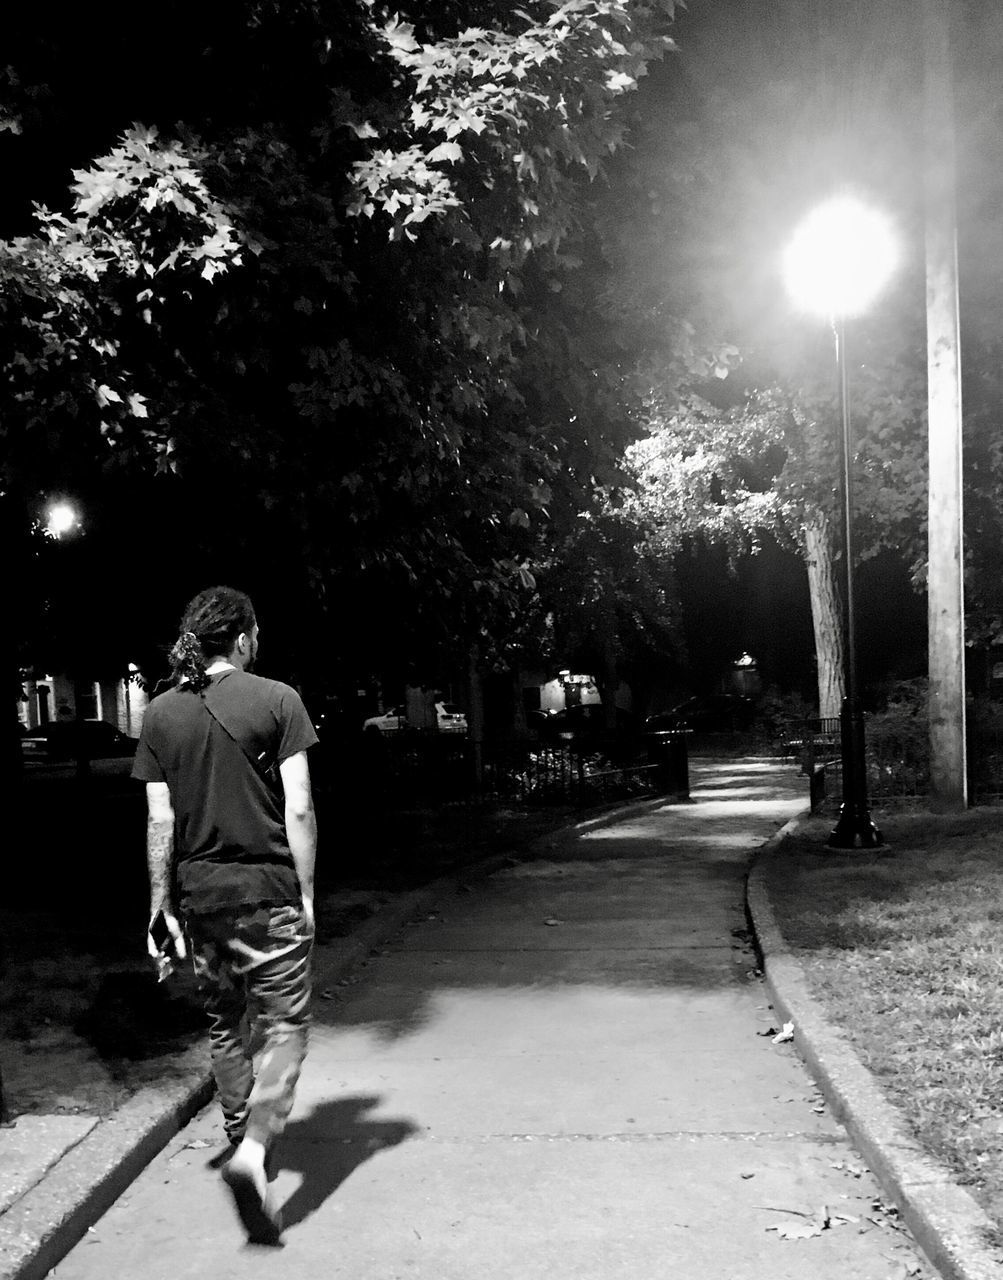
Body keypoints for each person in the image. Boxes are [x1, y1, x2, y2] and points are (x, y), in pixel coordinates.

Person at [132, 585, 319, 1244]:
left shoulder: (159, 715)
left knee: (224, 1022)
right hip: (269, 894)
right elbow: (297, 807)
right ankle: (253, 1152)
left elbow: (161, 819)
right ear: (242, 637)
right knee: (286, 1027)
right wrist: (308, 892)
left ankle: (242, 1138)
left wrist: (160, 905)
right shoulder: (278, 700)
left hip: (201, 898)